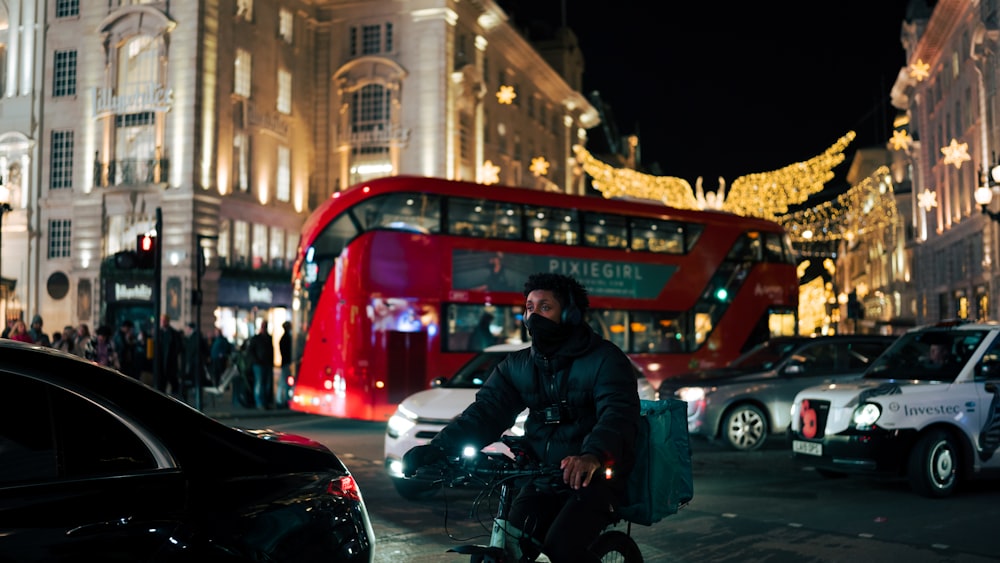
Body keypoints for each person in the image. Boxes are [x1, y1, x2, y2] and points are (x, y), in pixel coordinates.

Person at [402, 273, 641, 563]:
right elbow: (486, 412)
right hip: (539, 476)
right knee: (508, 549)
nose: (534, 315)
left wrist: (592, 455)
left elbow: (617, 414)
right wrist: (439, 448)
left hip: (592, 479)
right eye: (529, 307)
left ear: (570, 314)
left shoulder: (605, 359)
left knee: (563, 550)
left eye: (545, 307)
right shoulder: (517, 366)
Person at [246, 320, 275, 409]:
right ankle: (259, 402)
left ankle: (265, 402)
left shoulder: (268, 338)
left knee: (266, 384)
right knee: (260, 383)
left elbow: (271, 350)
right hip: (259, 364)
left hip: (267, 363)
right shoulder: (256, 338)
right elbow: (251, 351)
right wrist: (256, 360)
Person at [156, 314, 184, 398]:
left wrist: (173, 356)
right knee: (161, 386)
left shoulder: (174, 333)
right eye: (161, 320)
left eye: (164, 320)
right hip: (161, 364)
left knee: (174, 384)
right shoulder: (158, 333)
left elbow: (179, 347)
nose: (163, 322)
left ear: (168, 321)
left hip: (171, 364)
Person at [183, 322, 210, 390]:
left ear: (190, 329)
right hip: (197, 362)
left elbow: (193, 350)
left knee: (195, 378)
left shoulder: (195, 337)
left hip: (195, 362)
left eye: (187, 328)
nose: (186, 330)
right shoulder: (197, 336)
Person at [277, 321, 293, 408]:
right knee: (285, 382)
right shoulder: (286, 338)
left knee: (284, 381)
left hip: (285, 362)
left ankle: (281, 399)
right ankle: (282, 399)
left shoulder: (284, 338)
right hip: (286, 363)